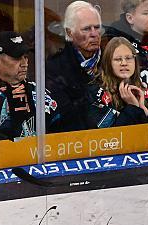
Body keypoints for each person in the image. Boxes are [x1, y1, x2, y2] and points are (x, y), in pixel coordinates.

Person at [0, 31, 60, 143]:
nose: (24, 63)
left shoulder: (41, 94)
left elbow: (60, 141)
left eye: (25, 57)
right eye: (17, 58)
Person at [46, 1, 102, 131]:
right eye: (86, 29)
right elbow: (68, 118)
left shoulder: (113, 58)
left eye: (97, 27)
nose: (94, 34)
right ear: (70, 33)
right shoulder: (54, 68)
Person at [87, 36, 148, 128]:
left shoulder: (142, 89)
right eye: (118, 59)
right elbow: (112, 137)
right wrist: (133, 107)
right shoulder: (96, 93)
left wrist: (145, 111)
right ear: (108, 63)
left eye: (128, 58)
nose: (124, 63)